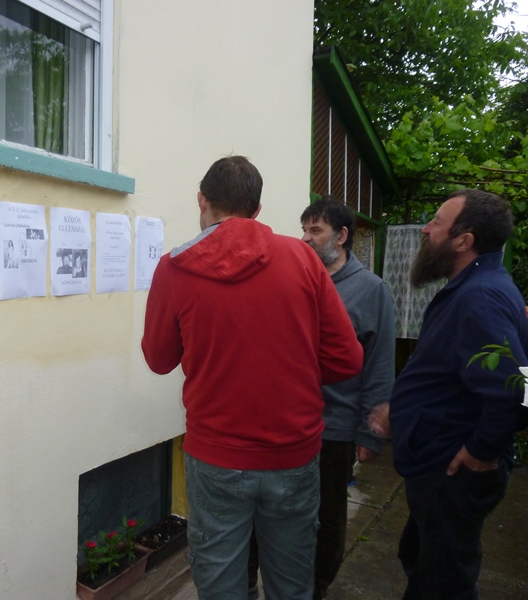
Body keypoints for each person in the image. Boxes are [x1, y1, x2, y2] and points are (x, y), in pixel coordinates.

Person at [141, 156, 363, 600]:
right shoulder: (302, 258)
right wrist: (291, 371)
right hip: (294, 451)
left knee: (221, 584)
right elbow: (347, 358)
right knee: (291, 583)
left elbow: (159, 359)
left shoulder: (174, 267)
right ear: (257, 209)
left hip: (216, 453)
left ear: (202, 200)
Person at [381, 189, 528, 599]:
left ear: (464, 241)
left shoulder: (479, 297)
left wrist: (482, 449)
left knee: (444, 585)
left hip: (450, 471)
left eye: (437, 222)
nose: (426, 229)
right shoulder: (477, 287)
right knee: (419, 557)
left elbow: (517, 389)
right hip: (438, 466)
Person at [299, 198, 395, 599]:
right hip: (292, 423)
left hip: (335, 428)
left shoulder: (371, 290)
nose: (305, 238)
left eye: (315, 230)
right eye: (304, 229)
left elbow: (380, 364)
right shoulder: (299, 279)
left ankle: (317, 587)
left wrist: (371, 432)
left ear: (341, 236)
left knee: (328, 514)